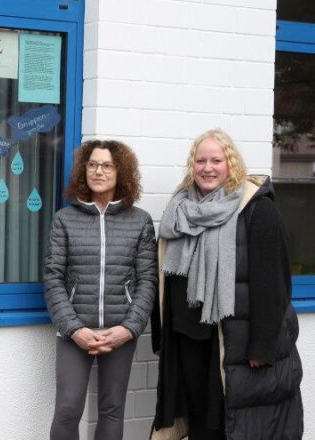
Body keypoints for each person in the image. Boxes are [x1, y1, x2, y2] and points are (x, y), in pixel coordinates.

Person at [151, 128, 303, 440]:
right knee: (198, 420)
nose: (207, 167)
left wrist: (263, 344)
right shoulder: (179, 209)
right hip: (185, 336)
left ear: (231, 164)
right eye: (200, 160)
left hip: (234, 339)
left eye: (216, 160)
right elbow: (163, 276)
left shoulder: (258, 210)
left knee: (230, 423)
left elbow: (273, 284)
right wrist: (160, 335)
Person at [44, 139, 157, 440]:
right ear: (84, 170)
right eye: (92, 164)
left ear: (121, 172)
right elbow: (53, 278)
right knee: (67, 410)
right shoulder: (64, 219)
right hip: (74, 332)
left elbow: (148, 280)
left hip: (119, 331)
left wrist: (128, 329)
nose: (98, 171)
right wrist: (74, 329)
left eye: (107, 165)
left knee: (111, 409)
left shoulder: (140, 221)